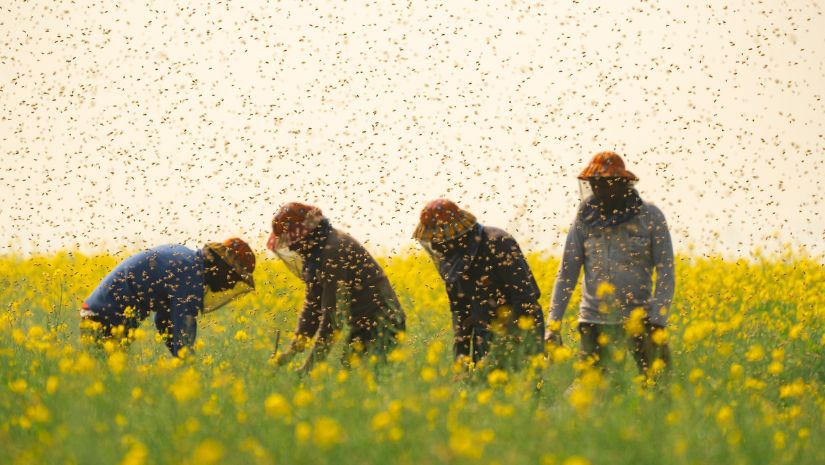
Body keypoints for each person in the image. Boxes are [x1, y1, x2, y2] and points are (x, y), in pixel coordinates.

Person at [546, 151, 675, 376]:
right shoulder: (584, 220)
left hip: (642, 319)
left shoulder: (651, 217)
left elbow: (666, 272)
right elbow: (567, 273)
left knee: (661, 385)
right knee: (593, 392)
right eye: (596, 184)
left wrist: (658, 320)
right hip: (594, 321)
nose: (600, 191)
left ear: (623, 184)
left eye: (606, 185)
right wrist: (553, 325)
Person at [268, 202, 405, 371]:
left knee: (361, 376)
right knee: (352, 374)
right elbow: (313, 305)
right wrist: (292, 351)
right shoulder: (317, 254)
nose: (292, 248)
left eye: (295, 243)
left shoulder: (333, 251)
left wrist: (308, 367)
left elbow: (333, 317)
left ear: (307, 236)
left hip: (383, 324)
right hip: (364, 325)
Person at [413, 199, 545, 366]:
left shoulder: (498, 243)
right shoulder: (452, 261)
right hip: (484, 338)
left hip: (523, 332)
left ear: (457, 236)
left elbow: (525, 298)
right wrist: (460, 359)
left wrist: (503, 338)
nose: (436, 247)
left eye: (439, 241)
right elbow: (460, 311)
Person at [80, 238, 255, 357]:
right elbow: (182, 326)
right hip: (105, 319)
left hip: (99, 314)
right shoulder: (189, 276)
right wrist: (189, 365)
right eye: (234, 278)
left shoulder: (186, 261)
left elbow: (164, 320)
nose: (231, 285)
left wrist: (182, 356)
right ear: (222, 267)